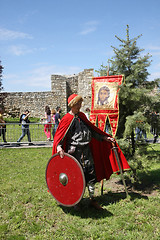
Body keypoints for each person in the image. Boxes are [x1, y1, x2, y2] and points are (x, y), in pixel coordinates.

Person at [52, 94, 130, 210]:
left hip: (86, 150)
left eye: (80, 103)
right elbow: (60, 137)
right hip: (74, 152)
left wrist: (104, 138)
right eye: (78, 103)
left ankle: (92, 199)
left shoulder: (82, 116)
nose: (80, 105)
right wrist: (58, 147)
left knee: (90, 175)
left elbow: (92, 131)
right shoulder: (66, 119)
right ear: (72, 105)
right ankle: (76, 201)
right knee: (76, 176)